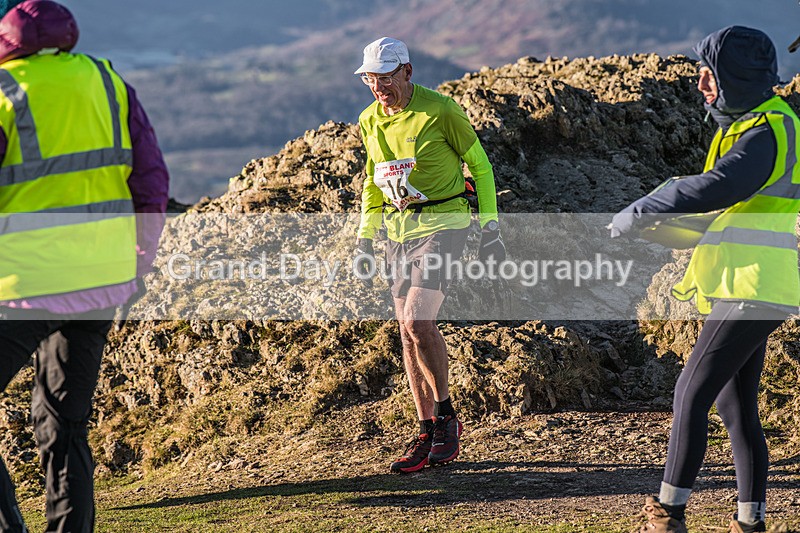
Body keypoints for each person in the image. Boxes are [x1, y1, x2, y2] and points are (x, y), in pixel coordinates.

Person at [611, 26, 800, 533]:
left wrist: (646, 206)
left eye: (708, 74)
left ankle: (668, 514)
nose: (700, 84)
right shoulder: (748, 127)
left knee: (689, 394)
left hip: (754, 287)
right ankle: (750, 523)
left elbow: (720, 187)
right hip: (745, 285)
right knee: (735, 407)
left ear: (734, 75)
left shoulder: (769, 130)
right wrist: (653, 229)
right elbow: (725, 215)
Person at [0, 1, 169, 531]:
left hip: (21, 283)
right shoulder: (108, 81)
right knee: (65, 424)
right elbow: (150, 181)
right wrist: (139, 260)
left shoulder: (5, 90)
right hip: (100, 280)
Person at [353, 37, 505, 473]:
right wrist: (366, 236)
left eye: (386, 77)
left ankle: (447, 417)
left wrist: (490, 227)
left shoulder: (441, 110)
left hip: (444, 225)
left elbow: (481, 167)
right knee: (406, 333)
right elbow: (373, 179)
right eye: (370, 79)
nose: (379, 87)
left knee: (418, 321)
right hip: (397, 231)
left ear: (408, 71)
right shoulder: (368, 119)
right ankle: (425, 430)